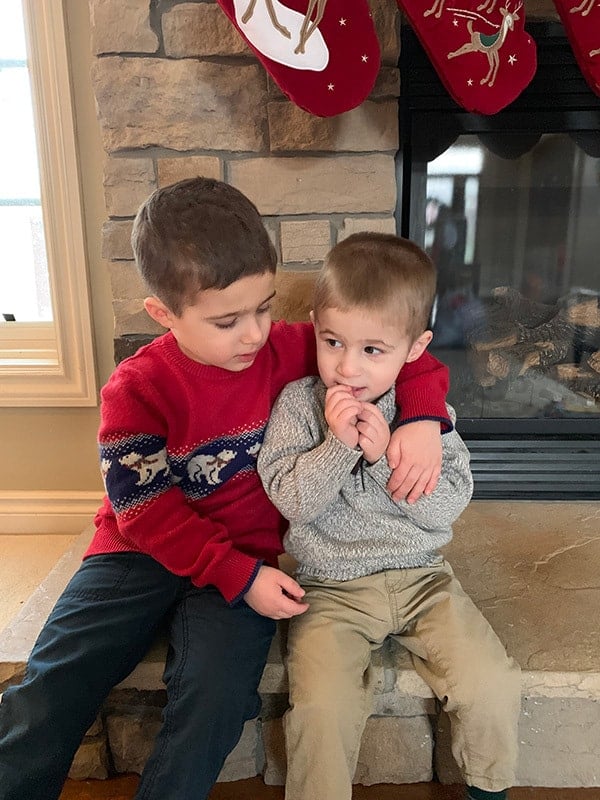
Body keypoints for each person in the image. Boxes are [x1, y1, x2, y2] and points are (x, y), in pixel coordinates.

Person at [0, 179, 452, 800]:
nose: (254, 333)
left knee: (216, 697)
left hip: (247, 560)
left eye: (265, 307)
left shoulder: (290, 349)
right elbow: (147, 515)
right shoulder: (137, 389)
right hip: (140, 552)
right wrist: (234, 573)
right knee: (58, 676)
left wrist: (424, 419)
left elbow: (403, 346)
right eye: (227, 320)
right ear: (163, 313)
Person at [257, 232, 521, 800]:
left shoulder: (427, 416)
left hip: (423, 578)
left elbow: (446, 505)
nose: (347, 367)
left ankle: (489, 788)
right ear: (315, 326)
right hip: (331, 588)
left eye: (372, 350)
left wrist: (382, 458)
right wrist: (339, 446)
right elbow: (292, 502)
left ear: (415, 347)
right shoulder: (300, 405)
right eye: (332, 342)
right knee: (321, 707)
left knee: (491, 681)